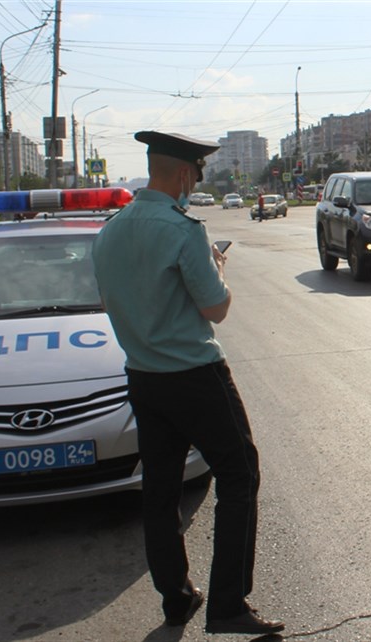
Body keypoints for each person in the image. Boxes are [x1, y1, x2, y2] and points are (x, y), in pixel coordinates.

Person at [92, 131, 284, 635]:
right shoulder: (183, 230)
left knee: (159, 488)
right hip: (194, 375)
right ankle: (227, 604)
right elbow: (215, 309)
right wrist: (217, 268)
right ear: (183, 174)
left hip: (143, 375)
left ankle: (176, 598)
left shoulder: (109, 231)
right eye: (195, 175)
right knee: (240, 474)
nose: (192, 184)